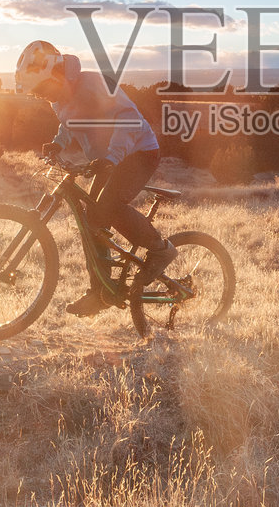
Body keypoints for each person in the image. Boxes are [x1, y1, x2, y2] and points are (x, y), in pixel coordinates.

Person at [15, 40, 177, 316]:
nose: (43, 97)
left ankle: (161, 250)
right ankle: (101, 292)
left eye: (42, 89)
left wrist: (112, 158)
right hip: (108, 160)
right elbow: (69, 123)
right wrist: (57, 143)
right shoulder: (58, 98)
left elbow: (128, 119)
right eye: (37, 93)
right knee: (91, 220)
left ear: (55, 73)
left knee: (107, 208)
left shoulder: (93, 84)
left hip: (139, 152)